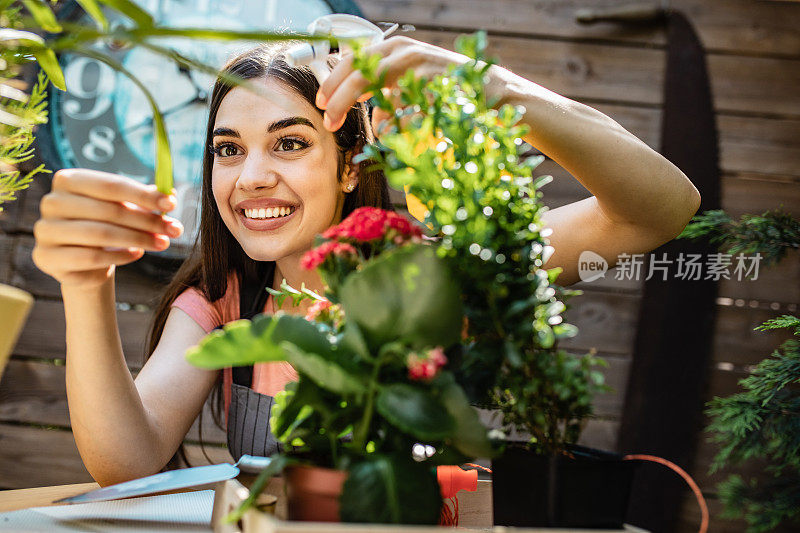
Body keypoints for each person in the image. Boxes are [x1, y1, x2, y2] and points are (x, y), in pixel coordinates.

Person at [32, 36, 700, 486]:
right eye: (228, 150)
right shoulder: (224, 301)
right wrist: (85, 282)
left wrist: (483, 84)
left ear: (352, 167)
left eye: (289, 144)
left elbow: (658, 209)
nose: (250, 176)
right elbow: (128, 459)